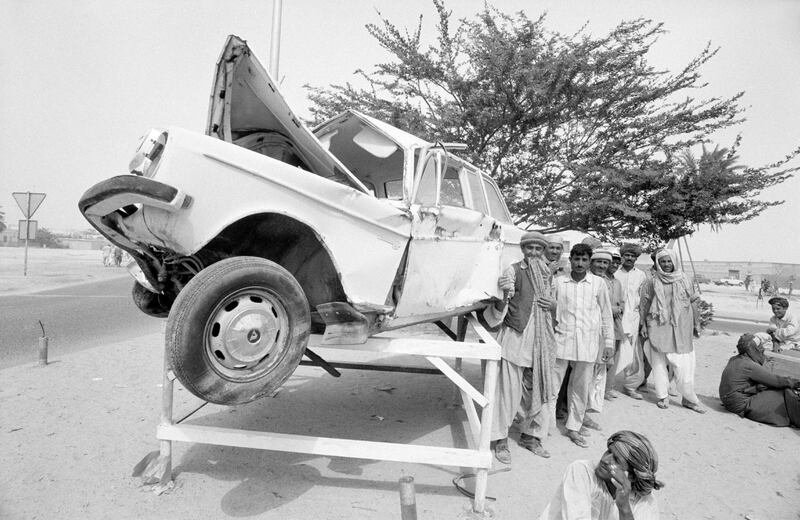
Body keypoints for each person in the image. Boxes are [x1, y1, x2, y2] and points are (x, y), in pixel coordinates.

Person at [485, 231, 558, 463]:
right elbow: (501, 303)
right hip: (516, 338)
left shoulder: (548, 275)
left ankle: (531, 436)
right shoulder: (513, 270)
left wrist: (552, 303)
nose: (534, 253)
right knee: (508, 392)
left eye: (538, 249)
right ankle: (500, 440)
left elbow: (553, 305)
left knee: (539, 388)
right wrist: (505, 294)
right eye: (530, 248)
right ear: (523, 249)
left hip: (541, 341)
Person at [553, 243, 614, 448]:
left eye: (584, 259)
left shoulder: (598, 284)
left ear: (589, 261)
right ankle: (540, 429)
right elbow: (551, 312)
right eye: (576, 259)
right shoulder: (559, 283)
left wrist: (608, 343)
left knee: (581, 388)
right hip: (562, 341)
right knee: (552, 387)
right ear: (570, 260)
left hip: (588, 343)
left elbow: (606, 314)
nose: (580, 263)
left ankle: (573, 428)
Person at [538, 430, 662, 520]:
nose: (605, 460)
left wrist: (624, 507)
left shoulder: (645, 502)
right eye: (608, 451)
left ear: (631, 476)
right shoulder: (582, 471)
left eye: (616, 460)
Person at [639, 249, 705, 413]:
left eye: (669, 261)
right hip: (658, 325)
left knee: (684, 365)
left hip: (681, 327)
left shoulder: (684, 279)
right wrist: (643, 325)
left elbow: (694, 302)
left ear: (675, 262)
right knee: (659, 363)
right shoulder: (652, 281)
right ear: (658, 264)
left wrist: (697, 323)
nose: (666, 265)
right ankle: (663, 396)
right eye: (663, 262)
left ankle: (688, 399)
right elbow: (645, 305)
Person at [719, 333, 800, 427]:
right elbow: (776, 381)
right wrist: (795, 383)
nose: (761, 348)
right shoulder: (749, 365)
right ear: (752, 349)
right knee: (784, 392)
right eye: (758, 346)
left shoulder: (734, 359)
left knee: (768, 386)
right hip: (739, 404)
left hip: (727, 400)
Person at [613, 243, 648, 400]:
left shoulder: (641, 275)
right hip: (616, 318)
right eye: (626, 255)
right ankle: (607, 386)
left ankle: (630, 386)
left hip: (633, 318)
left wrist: (643, 322)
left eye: (632, 256)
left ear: (636, 258)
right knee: (614, 351)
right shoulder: (615, 273)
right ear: (622, 256)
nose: (629, 258)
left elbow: (643, 300)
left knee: (633, 353)